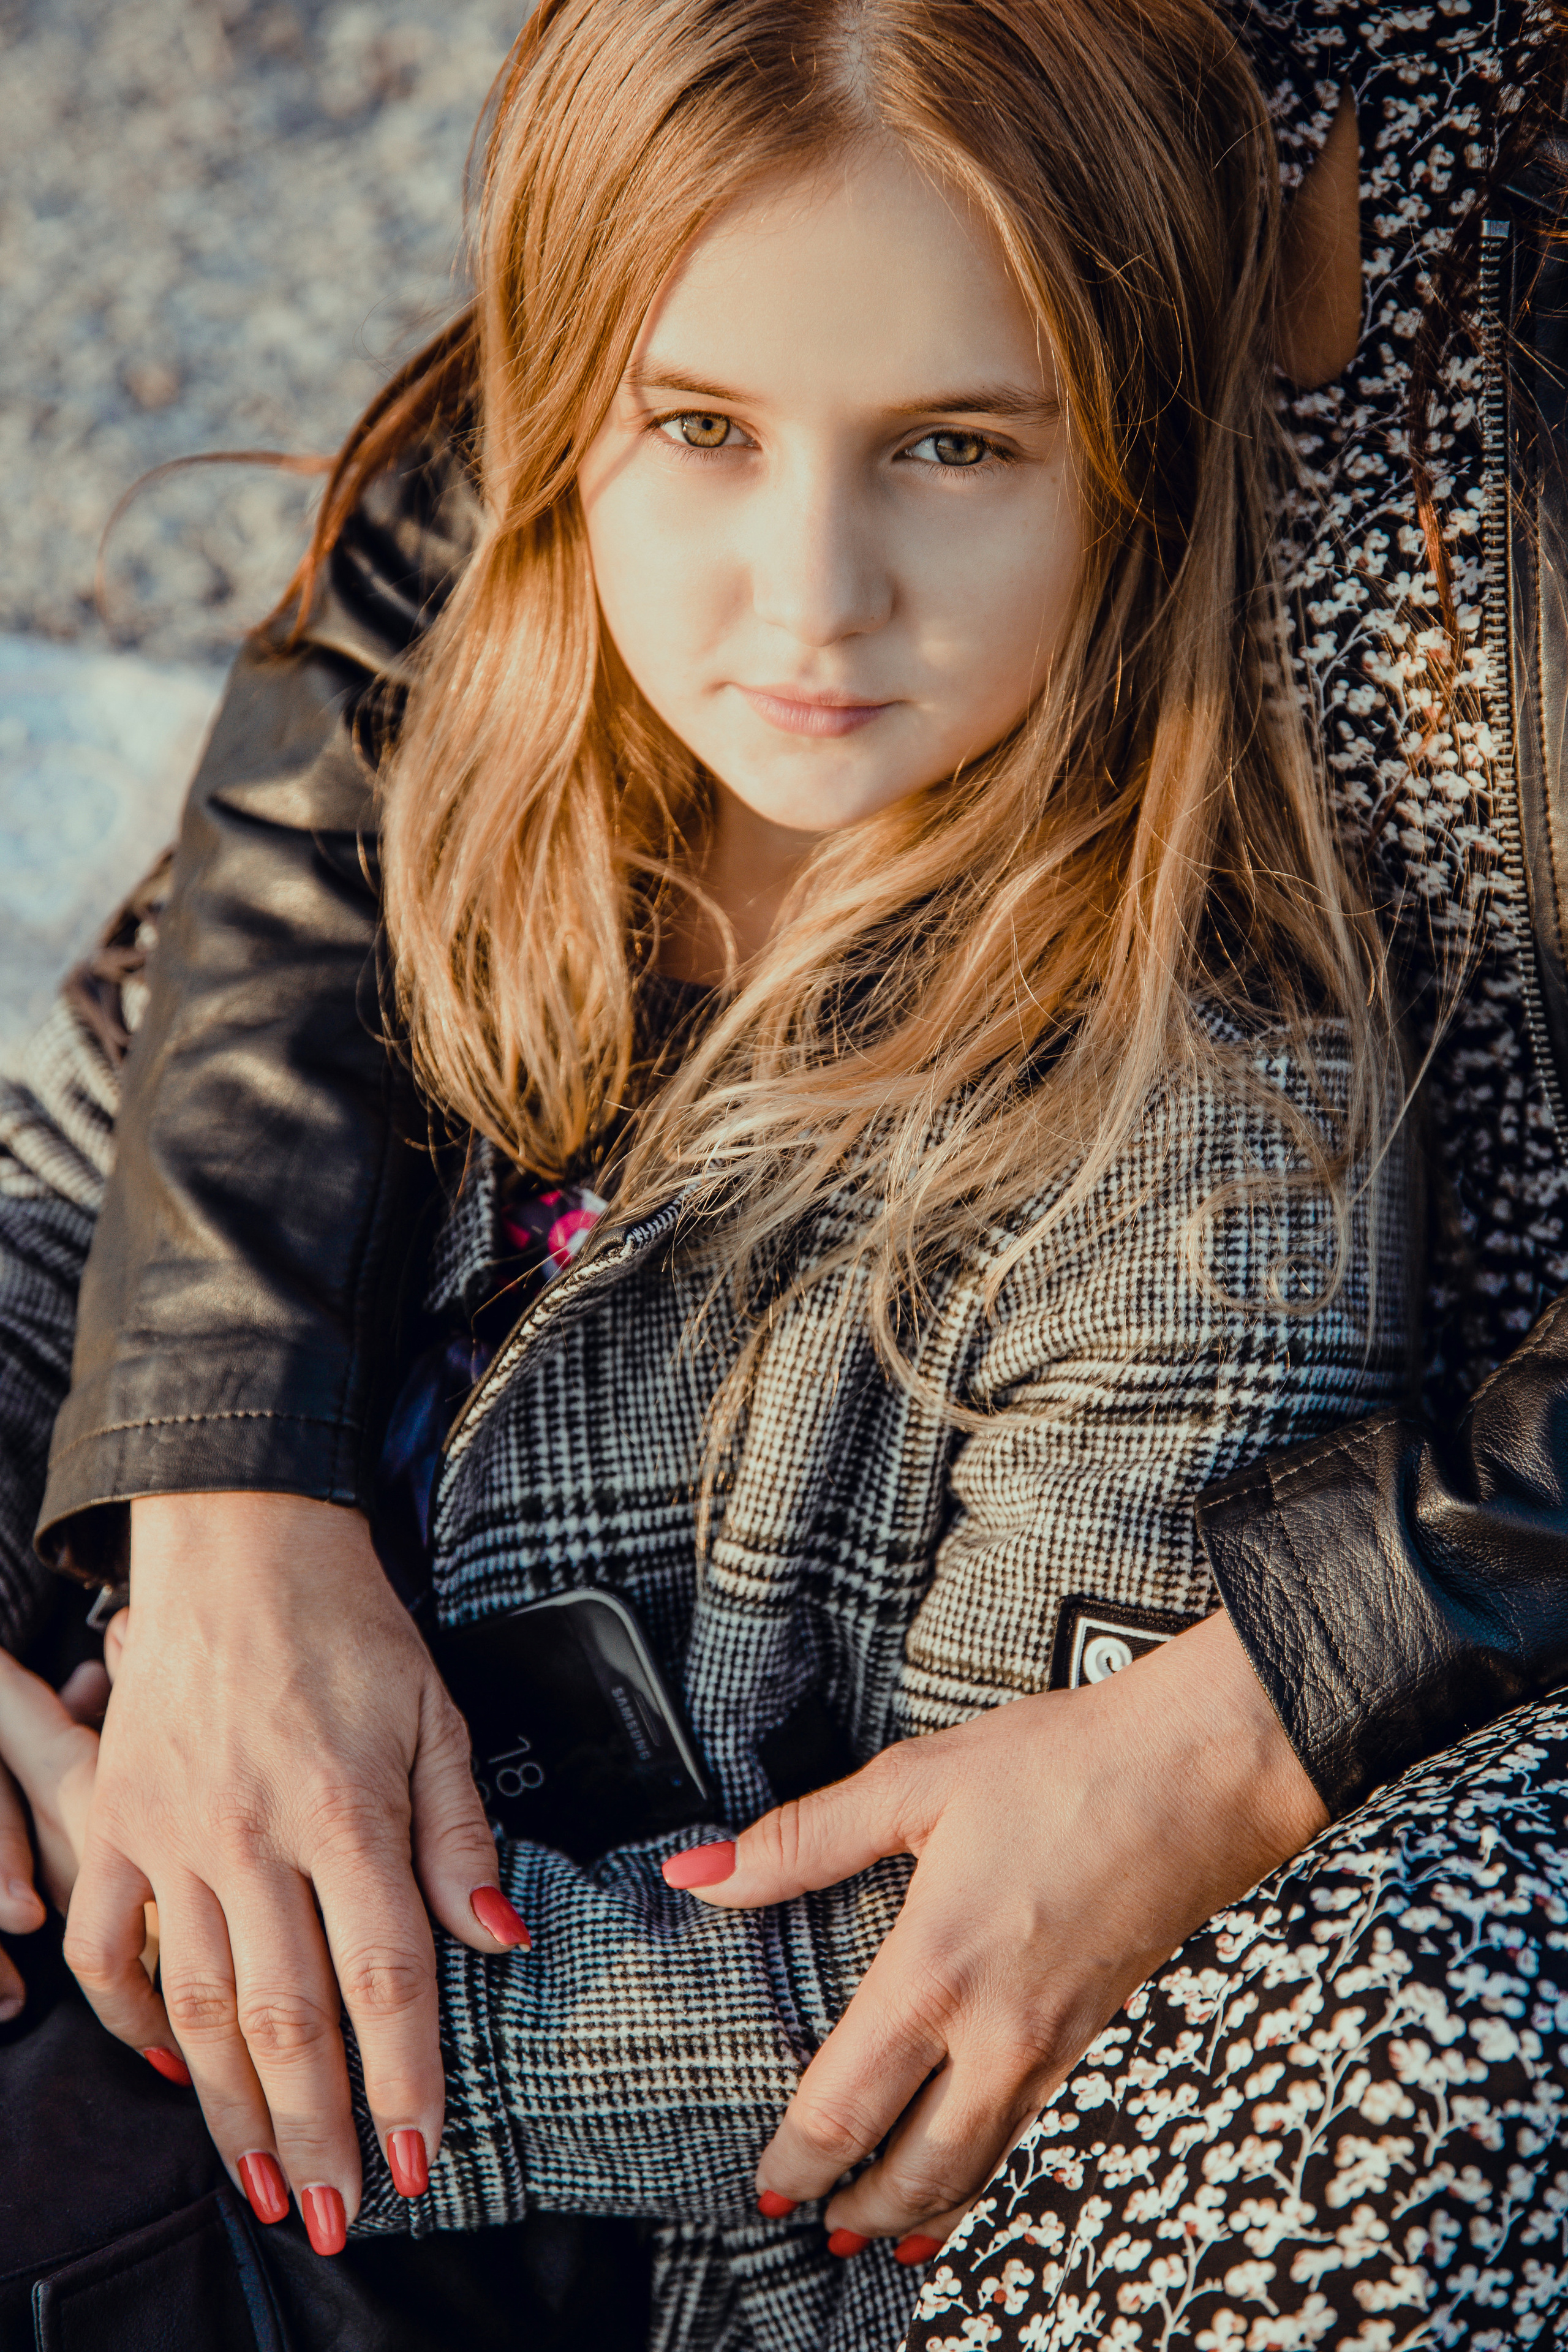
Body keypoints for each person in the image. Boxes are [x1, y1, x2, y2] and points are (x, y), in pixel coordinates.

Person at [0, 0, 1419, 2343]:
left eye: (953, 447)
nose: (810, 591)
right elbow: (75, 1217)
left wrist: (189, 1953)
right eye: (703, 429)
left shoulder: (1216, 1152)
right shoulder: (438, 804)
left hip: (524, 2224)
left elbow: (927, 1958)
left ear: (1138, 460)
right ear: (555, 414)